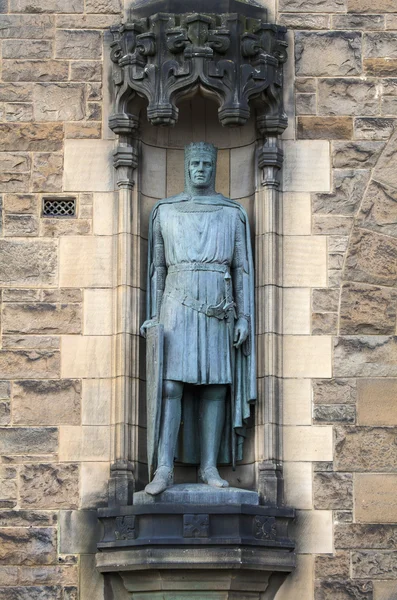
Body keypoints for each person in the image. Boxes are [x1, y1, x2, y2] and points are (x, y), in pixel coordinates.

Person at [141, 142, 256, 495]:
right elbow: (157, 269)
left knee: (215, 388)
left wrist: (245, 317)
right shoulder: (165, 212)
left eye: (207, 163)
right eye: (195, 163)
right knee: (171, 386)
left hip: (218, 307)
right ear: (186, 166)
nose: (201, 169)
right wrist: (154, 317)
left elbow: (243, 270)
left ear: (215, 167)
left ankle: (208, 467)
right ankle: (163, 468)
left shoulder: (231, 213)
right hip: (177, 305)